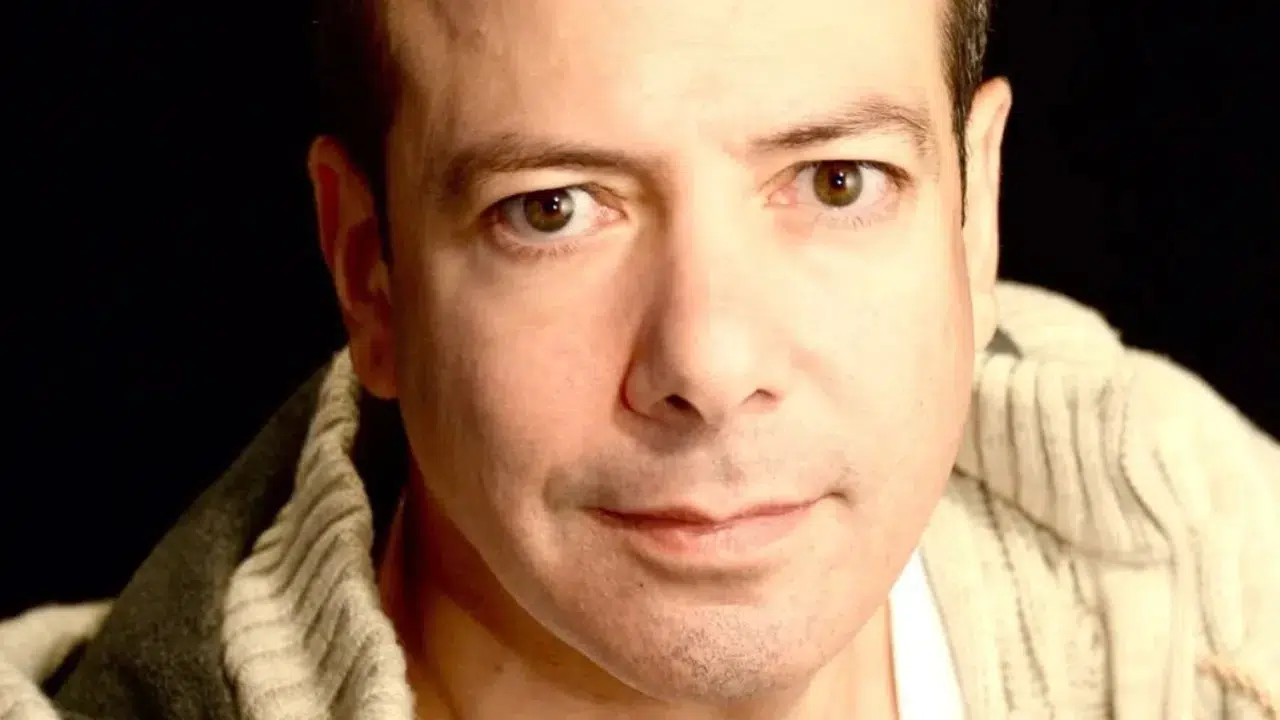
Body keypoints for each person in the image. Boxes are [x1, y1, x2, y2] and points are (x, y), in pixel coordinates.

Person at [2, 0, 1277, 716]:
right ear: (369, 275)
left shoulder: (1215, 566)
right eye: (551, 208)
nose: (707, 364)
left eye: (835, 181)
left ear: (973, 206)